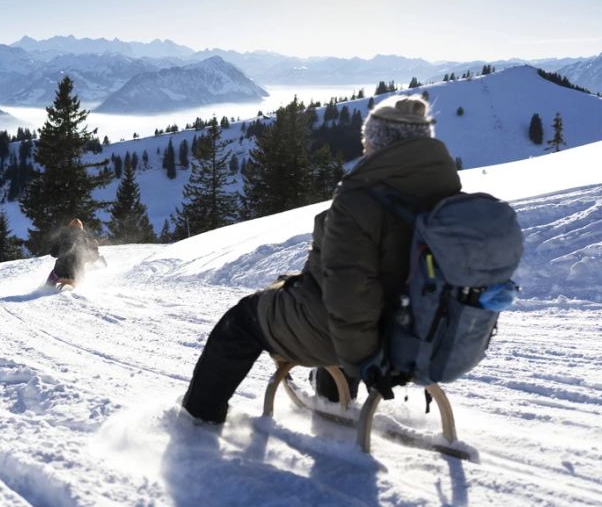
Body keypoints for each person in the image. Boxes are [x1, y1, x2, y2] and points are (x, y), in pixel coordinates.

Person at [182, 95, 462, 424]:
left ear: (378, 143)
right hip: (410, 326)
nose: (364, 148)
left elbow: (348, 295)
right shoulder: (444, 192)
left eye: (366, 140)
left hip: (356, 335)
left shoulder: (362, 199)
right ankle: (331, 401)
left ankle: (197, 419)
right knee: (333, 303)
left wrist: (362, 360)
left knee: (241, 321)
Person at [45, 218, 104, 286]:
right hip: (76, 274)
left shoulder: (62, 238)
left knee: (53, 275)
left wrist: (57, 248)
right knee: (80, 273)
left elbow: (53, 253)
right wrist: (95, 249)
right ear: (81, 228)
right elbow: (91, 258)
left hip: (59, 272)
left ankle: (47, 287)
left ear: (69, 226)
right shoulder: (84, 241)